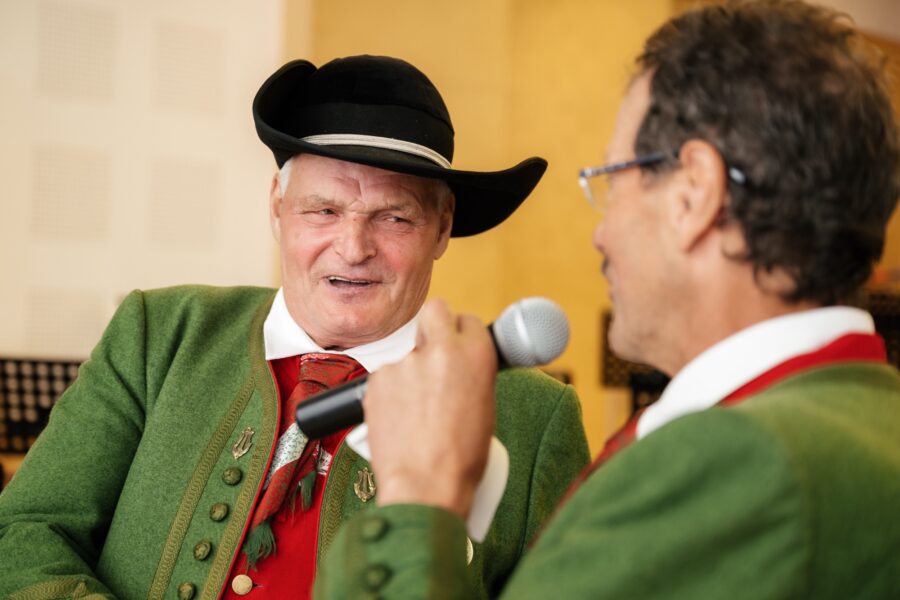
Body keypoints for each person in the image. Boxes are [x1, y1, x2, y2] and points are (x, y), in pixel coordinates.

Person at [315, 2, 900, 598]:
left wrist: (419, 492)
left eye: (612, 179)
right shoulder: (867, 419)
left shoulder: (736, 458)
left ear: (693, 194)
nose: (602, 233)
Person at [0, 56, 590, 599]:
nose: (353, 248)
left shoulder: (535, 420)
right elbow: (26, 531)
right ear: (277, 208)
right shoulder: (160, 334)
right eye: (323, 210)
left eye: (394, 217)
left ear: (441, 228)